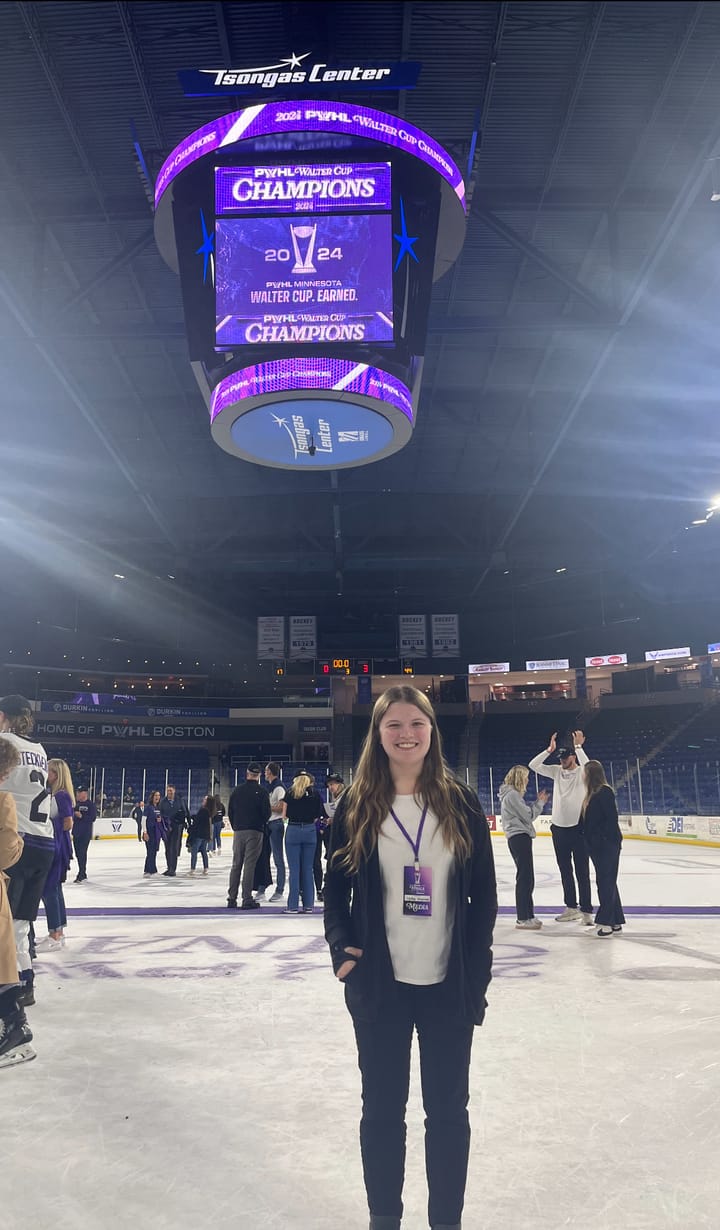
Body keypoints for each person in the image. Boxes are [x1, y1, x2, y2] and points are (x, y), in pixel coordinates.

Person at [324, 685, 497, 1230]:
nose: (406, 734)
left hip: (449, 985)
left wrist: (478, 974)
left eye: (417, 723)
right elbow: (334, 891)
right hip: (380, 986)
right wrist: (341, 948)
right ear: (377, 735)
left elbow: (485, 896)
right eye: (394, 724)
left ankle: (446, 1220)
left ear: (432, 731)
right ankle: (384, 1219)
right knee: (381, 1112)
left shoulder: (461, 802)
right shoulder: (356, 805)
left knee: (447, 1113)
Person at [0, 695, 55, 1008]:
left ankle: (9, 988)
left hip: (15, 842)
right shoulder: (40, 749)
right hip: (43, 843)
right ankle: (24, 983)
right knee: (20, 924)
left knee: (5, 923)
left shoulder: (4, 742)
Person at [528, 730, 593, 925]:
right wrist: (549, 750)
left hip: (578, 828)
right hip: (558, 828)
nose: (563, 760)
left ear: (573, 757)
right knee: (565, 870)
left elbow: (590, 767)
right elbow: (533, 765)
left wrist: (579, 747)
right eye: (561, 758)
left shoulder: (582, 772)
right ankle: (571, 907)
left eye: (565, 757)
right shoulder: (556, 771)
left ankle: (586, 911)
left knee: (582, 871)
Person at [499, 766, 549, 930]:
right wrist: (540, 803)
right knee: (525, 878)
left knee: (527, 878)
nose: (527, 780)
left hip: (519, 837)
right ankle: (523, 917)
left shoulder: (511, 795)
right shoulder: (513, 795)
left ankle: (529, 915)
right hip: (519, 837)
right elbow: (528, 816)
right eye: (526, 777)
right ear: (520, 778)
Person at [581, 761, 625, 937]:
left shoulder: (604, 792)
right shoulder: (592, 793)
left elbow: (610, 819)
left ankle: (605, 924)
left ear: (591, 774)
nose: (582, 776)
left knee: (605, 882)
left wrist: (602, 840)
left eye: (584, 772)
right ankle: (616, 921)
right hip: (599, 845)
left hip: (606, 845)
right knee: (609, 882)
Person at [37, 760, 75, 950]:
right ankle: (58, 932)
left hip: (57, 845)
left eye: (49, 771)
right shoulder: (58, 794)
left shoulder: (61, 795)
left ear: (56, 774)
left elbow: (68, 822)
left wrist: (51, 828)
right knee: (55, 889)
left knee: (49, 889)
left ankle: (55, 935)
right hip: (58, 844)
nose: (46, 774)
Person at [226, 764, 271, 910]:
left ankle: (232, 898)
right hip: (255, 831)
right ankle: (247, 898)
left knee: (236, 864)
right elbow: (266, 813)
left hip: (239, 831)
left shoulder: (237, 791)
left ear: (247, 774)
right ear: (259, 776)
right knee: (249, 864)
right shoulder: (262, 792)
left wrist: (236, 826)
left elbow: (230, 811)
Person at [284, 771, 326, 914]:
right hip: (309, 831)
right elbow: (318, 815)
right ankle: (308, 905)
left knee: (294, 870)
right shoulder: (315, 794)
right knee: (308, 869)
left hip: (293, 830)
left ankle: (293, 906)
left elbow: (284, 814)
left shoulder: (290, 793)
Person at [264, 762, 286, 902]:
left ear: (270, 772)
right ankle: (261, 888)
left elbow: (282, 807)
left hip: (276, 824)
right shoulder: (271, 787)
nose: (264, 773)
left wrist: (266, 807)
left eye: (266, 770)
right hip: (269, 824)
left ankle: (280, 890)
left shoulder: (279, 787)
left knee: (278, 858)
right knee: (264, 857)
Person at [160, 784, 190, 877]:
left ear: (174, 791)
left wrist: (188, 823)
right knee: (167, 848)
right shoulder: (163, 802)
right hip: (166, 828)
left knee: (174, 847)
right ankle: (169, 867)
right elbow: (160, 814)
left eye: (171, 790)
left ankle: (173, 869)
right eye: (168, 790)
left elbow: (186, 812)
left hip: (177, 827)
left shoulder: (180, 801)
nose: (169, 792)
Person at [187, 794, 216, 876]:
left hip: (199, 834)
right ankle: (205, 868)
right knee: (203, 851)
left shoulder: (203, 810)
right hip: (205, 835)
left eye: (205, 799)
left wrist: (192, 828)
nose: (203, 800)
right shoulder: (209, 811)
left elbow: (198, 822)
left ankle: (192, 869)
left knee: (194, 851)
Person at [72, 785, 96, 882]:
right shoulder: (75, 804)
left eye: (79, 792)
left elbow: (93, 818)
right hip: (76, 832)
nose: (77, 794)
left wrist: (81, 816)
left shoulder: (90, 805)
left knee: (82, 853)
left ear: (85, 793)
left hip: (85, 833)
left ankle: (82, 873)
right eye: (77, 792)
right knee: (78, 853)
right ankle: (82, 872)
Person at [142, 790, 163, 877]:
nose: (157, 797)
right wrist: (145, 832)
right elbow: (143, 820)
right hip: (149, 831)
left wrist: (160, 820)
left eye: (158, 795)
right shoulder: (148, 807)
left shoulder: (158, 808)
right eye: (155, 795)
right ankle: (152, 871)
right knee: (151, 851)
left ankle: (147, 870)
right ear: (152, 797)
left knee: (153, 851)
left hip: (156, 832)